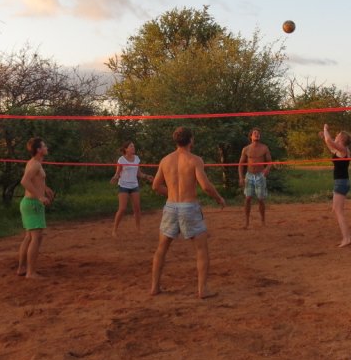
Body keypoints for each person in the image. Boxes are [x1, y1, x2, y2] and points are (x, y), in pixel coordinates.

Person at [150, 126, 226, 299]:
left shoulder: (165, 160)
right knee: (201, 249)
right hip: (189, 207)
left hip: (170, 207)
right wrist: (219, 198)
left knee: (162, 248)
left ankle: (154, 287)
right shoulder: (195, 160)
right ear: (191, 140)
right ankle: (203, 290)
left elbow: (155, 186)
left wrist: (170, 194)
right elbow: (205, 186)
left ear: (176, 141)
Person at [17, 137, 55, 278]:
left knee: (29, 237)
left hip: (28, 203)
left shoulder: (34, 163)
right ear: (39, 150)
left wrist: (45, 188)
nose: (46, 147)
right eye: (44, 146)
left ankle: (22, 268)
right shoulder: (36, 165)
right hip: (33, 204)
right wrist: (40, 196)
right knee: (36, 238)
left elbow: (34, 180)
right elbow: (24, 181)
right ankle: (31, 272)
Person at [110, 141, 152, 237]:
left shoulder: (137, 159)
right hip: (123, 185)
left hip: (134, 186)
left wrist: (146, 176)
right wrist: (115, 178)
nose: (133, 147)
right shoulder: (121, 160)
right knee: (122, 209)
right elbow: (118, 173)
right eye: (131, 146)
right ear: (126, 149)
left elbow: (139, 173)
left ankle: (138, 229)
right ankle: (114, 230)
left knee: (137, 209)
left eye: (133, 146)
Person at [321, 123, 351, 247]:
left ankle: (347, 238)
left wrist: (325, 129)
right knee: (336, 209)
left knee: (339, 211)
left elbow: (329, 140)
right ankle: (346, 237)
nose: (336, 136)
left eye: (338, 136)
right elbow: (329, 144)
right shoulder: (340, 150)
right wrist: (324, 135)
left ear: (342, 139)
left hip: (341, 183)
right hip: (341, 182)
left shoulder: (343, 150)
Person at [238, 128, 273, 228]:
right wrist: (241, 177)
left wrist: (267, 169)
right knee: (248, 198)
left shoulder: (264, 148)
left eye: (258, 133)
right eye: (255, 133)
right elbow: (240, 164)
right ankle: (247, 222)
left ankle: (263, 221)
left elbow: (270, 162)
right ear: (251, 136)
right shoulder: (246, 149)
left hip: (260, 176)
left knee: (261, 199)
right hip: (249, 175)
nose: (257, 135)